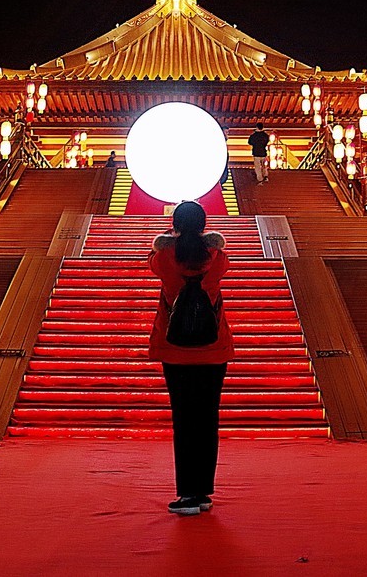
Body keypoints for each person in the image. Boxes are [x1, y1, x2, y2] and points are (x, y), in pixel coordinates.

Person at [147, 200, 232, 516]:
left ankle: (187, 494)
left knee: (183, 420)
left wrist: (169, 238)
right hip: (213, 349)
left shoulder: (164, 258)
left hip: (175, 350)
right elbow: (222, 261)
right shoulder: (216, 258)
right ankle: (203, 492)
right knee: (208, 419)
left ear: (175, 224)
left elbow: (152, 262)